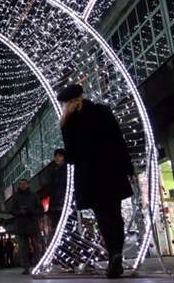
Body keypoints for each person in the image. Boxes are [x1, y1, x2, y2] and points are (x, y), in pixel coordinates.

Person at [57, 84, 135, 279]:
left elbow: (73, 155)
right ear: (82, 96)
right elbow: (118, 139)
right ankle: (117, 253)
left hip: (89, 174)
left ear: (67, 103)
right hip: (112, 168)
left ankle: (114, 253)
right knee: (115, 213)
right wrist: (127, 167)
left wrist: (66, 156)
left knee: (102, 214)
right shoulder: (102, 111)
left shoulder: (68, 122)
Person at [9, 178, 44, 275]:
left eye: (24, 183)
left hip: (32, 224)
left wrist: (30, 211)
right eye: (21, 184)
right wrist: (20, 212)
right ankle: (26, 267)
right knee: (23, 248)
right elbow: (12, 210)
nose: (23, 185)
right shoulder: (16, 197)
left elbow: (40, 209)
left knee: (36, 246)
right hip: (21, 225)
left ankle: (38, 264)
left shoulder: (34, 196)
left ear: (28, 185)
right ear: (19, 186)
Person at [47, 148, 68, 233]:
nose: (57, 158)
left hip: (65, 203)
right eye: (55, 156)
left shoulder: (67, 170)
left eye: (60, 156)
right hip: (56, 204)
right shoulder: (53, 171)